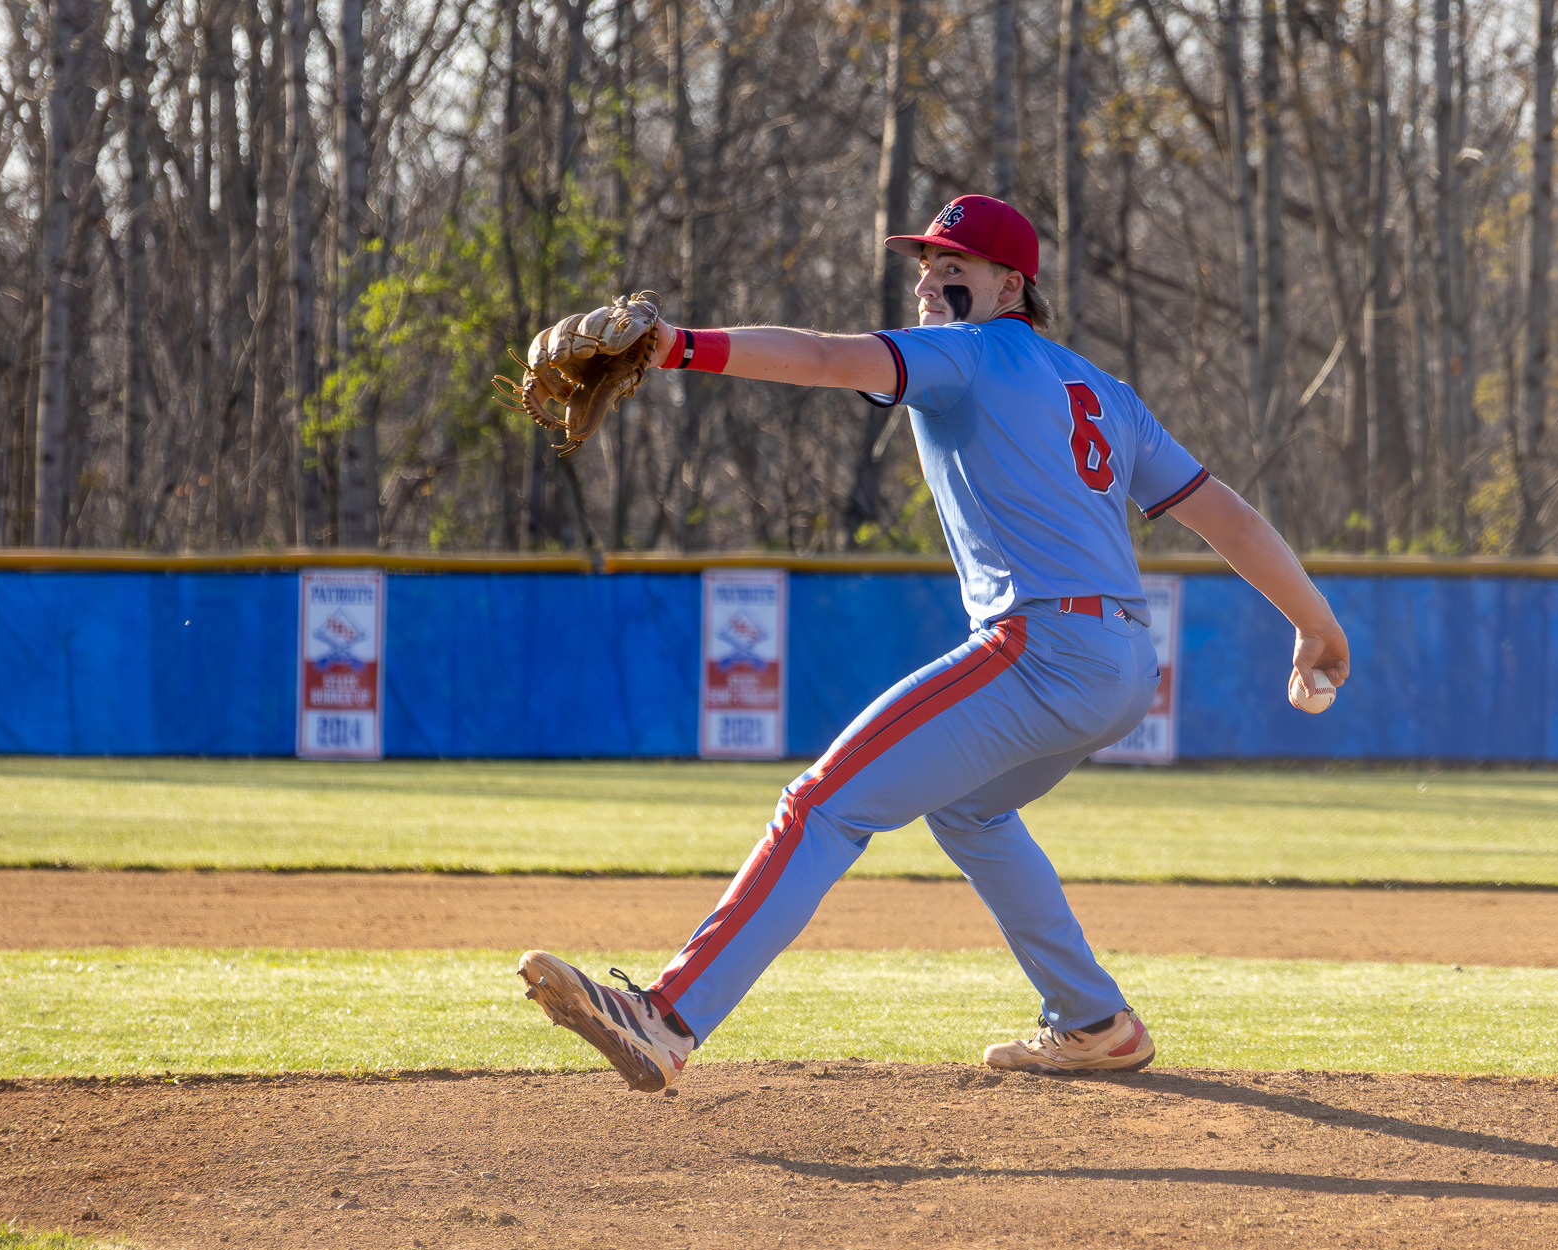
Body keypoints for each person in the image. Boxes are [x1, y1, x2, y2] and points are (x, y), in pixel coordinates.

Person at [518, 194, 1351, 1093]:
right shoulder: (1105, 392)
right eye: (922, 262)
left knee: (823, 804)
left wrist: (680, 343)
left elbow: (828, 359)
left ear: (1010, 284)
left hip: (1042, 648)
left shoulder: (969, 352)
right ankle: (1094, 1020)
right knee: (971, 811)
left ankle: (666, 1017)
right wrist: (1315, 621)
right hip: (1121, 665)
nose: (928, 277)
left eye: (953, 265)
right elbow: (1223, 511)